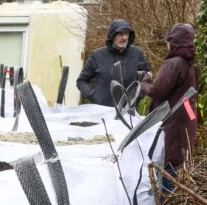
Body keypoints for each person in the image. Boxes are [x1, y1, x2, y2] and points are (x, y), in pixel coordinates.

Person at [140, 23, 198, 195]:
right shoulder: (190, 63)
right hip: (187, 116)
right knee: (180, 158)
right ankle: (177, 201)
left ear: (174, 42)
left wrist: (145, 82)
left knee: (169, 161)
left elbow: (158, 91)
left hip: (173, 120)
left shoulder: (174, 63)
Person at [76, 19, 149, 108]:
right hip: (102, 111)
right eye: (121, 34)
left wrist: (137, 96)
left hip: (128, 112)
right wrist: (94, 95)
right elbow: (81, 81)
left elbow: (146, 78)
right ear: (112, 35)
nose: (125, 37)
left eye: (127, 34)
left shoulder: (137, 54)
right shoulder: (97, 55)